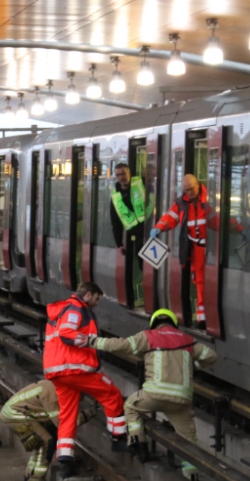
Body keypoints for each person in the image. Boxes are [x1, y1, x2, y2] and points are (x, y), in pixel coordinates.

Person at [90, 309, 217, 462]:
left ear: (154, 323)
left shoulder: (148, 336)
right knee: (188, 442)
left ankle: (140, 448)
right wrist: (192, 365)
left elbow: (121, 345)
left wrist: (93, 342)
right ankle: (191, 475)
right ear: (174, 324)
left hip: (154, 395)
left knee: (131, 406)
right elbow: (211, 356)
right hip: (181, 399)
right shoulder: (187, 339)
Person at [43, 282, 127, 476]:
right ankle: (119, 439)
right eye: (97, 299)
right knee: (112, 394)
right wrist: (91, 341)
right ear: (88, 295)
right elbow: (66, 333)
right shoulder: (75, 309)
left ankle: (65, 460)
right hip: (75, 368)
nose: (97, 303)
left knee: (67, 414)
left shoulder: (60, 309)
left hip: (57, 372)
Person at [0, 380, 98, 481]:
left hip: (19, 413)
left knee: (47, 438)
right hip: (16, 416)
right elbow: (63, 423)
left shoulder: (57, 385)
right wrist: (88, 414)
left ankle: (29, 478)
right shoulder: (53, 396)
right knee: (46, 442)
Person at [150, 174, 218, 329]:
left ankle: (205, 318)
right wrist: (158, 227)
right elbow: (170, 217)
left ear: (198, 185)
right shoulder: (181, 203)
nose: (188, 193)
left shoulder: (210, 199)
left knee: (205, 283)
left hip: (209, 249)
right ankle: (202, 319)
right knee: (200, 283)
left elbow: (217, 221)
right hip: (194, 250)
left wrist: (239, 228)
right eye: (185, 190)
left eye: (191, 189)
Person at [110, 163, 149, 307]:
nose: (121, 177)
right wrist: (119, 244)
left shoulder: (141, 183)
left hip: (151, 233)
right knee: (143, 266)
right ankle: (147, 298)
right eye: (118, 174)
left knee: (153, 266)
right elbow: (116, 222)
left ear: (129, 173)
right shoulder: (116, 197)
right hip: (135, 237)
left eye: (123, 173)